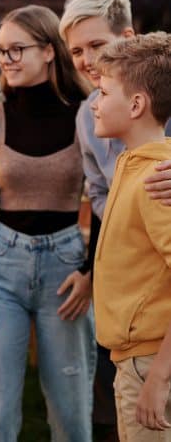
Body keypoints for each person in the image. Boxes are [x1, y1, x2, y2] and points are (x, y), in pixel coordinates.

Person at [0, 4, 97, 442]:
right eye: (1, 52)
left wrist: (90, 270)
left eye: (16, 49)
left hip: (66, 272)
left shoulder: (85, 116)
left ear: (48, 51)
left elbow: (101, 198)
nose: (6, 60)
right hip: (3, 268)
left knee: (71, 414)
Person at [59, 0, 171, 441]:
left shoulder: (153, 159)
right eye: (76, 51)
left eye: (97, 47)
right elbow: (105, 201)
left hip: (152, 347)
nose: (86, 62)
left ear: (125, 38)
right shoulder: (92, 116)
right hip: (128, 333)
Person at [92, 31, 171, 441]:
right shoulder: (133, 164)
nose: (95, 103)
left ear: (137, 104)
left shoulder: (157, 180)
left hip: (152, 364)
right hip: (134, 362)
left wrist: (158, 379)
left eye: (104, 92)